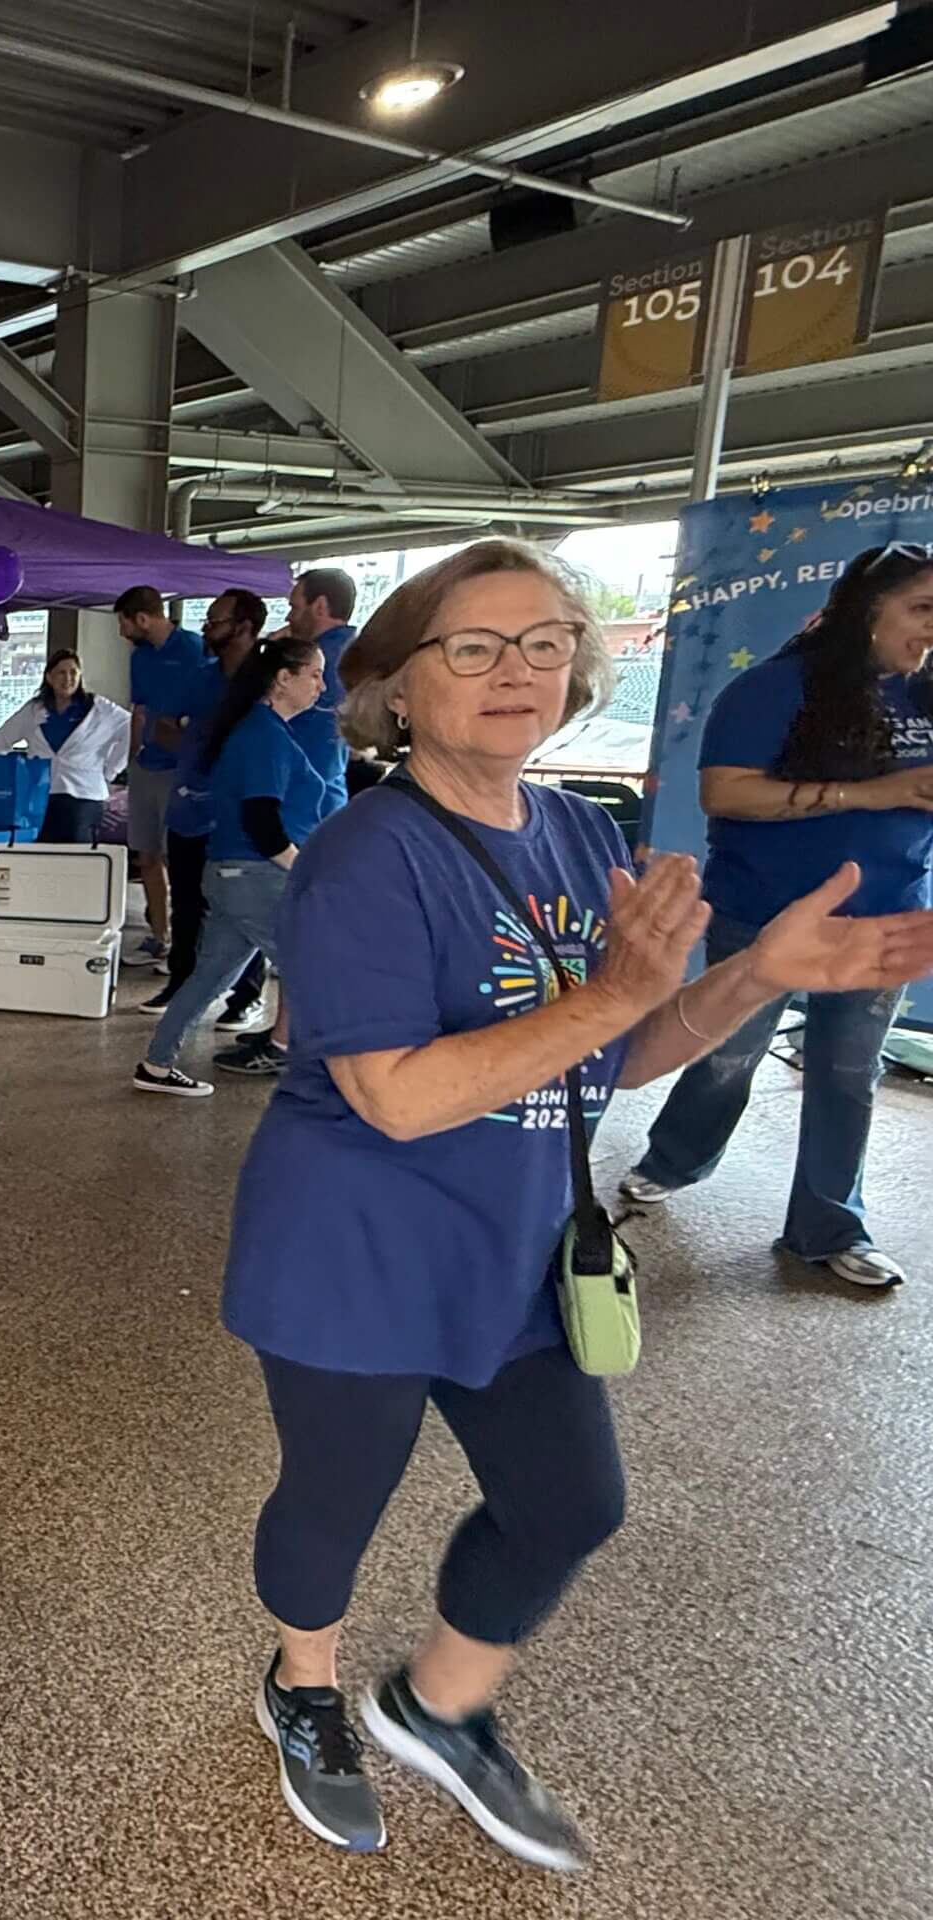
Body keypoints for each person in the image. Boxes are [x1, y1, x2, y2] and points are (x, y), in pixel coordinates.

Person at [224, 539, 933, 1870]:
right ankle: (301, 1685)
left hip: (514, 1245)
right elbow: (394, 1097)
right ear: (398, 685)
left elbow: (620, 1051)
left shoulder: (575, 832)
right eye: (475, 647)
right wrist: (609, 993)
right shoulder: (365, 856)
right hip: (354, 1252)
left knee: (569, 1501)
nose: (517, 671)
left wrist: (758, 973)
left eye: (547, 644)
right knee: (336, 1498)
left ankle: (436, 1704)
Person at [619, 542, 933, 1288]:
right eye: (922, 609)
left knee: (848, 1073)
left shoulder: (926, 696)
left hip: (884, 918)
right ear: (867, 611)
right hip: (764, 913)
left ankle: (829, 1228)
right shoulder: (775, 688)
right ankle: (675, 1159)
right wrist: (873, 793)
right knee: (730, 1052)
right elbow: (725, 793)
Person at [134, 635, 329, 1095]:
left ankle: (156, 1066)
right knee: (314, 966)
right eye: (315, 675)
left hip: (234, 874)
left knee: (210, 976)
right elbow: (262, 823)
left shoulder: (263, 731)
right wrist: (303, 869)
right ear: (283, 679)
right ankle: (325, 1071)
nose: (322, 685)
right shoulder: (264, 737)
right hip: (254, 874)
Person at [144, 590, 268, 1027]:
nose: (207, 629)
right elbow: (162, 728)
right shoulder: (201, 677)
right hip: (190, 806)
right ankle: (180, 982)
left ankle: (246, 996)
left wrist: (212, 743)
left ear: (245, 627)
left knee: (242, 906)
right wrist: (200, 743)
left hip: (241, 812)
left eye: (216, 622)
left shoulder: (267, 679)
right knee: (187, 901)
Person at [119, 584, 209, 963]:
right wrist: (133, 757)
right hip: (147, 766)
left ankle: (190, 944)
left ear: (142, 618)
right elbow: (139, 710)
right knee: (147, 855)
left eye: (124, 624)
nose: (122, 632)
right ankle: (159, 936)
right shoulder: (140, 658)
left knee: (182, 859)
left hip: (181, 768)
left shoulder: (194, 649)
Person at [0, 647, 129, 843]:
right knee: (42, 854)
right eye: (61, 672)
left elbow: (131, 729)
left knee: (77, 854)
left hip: (84, 796)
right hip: (40, 798)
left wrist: (111, 769)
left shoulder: (99, 709)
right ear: (49, 677)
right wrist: (19, 775)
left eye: (73, 672)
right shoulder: (34, 709)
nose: (67, 678)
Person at [285, 565, 361, 799]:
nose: (288, 617)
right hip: (331, 791)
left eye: (295, 608)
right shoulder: (358, 655)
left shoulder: (312, 661)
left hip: (298, 794)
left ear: (319, 606)